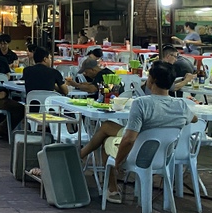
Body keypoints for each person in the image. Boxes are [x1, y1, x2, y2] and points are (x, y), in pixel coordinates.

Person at [79, 61, 197, 204]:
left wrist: (117, 162)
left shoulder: (141, 103)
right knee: (107, 127)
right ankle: (81, 157)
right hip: (164, 155)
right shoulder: (181, 105)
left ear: (152, 80)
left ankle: (112, 187)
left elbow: (129, 139)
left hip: (139, 153)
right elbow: (194, 119)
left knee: (107, 141)